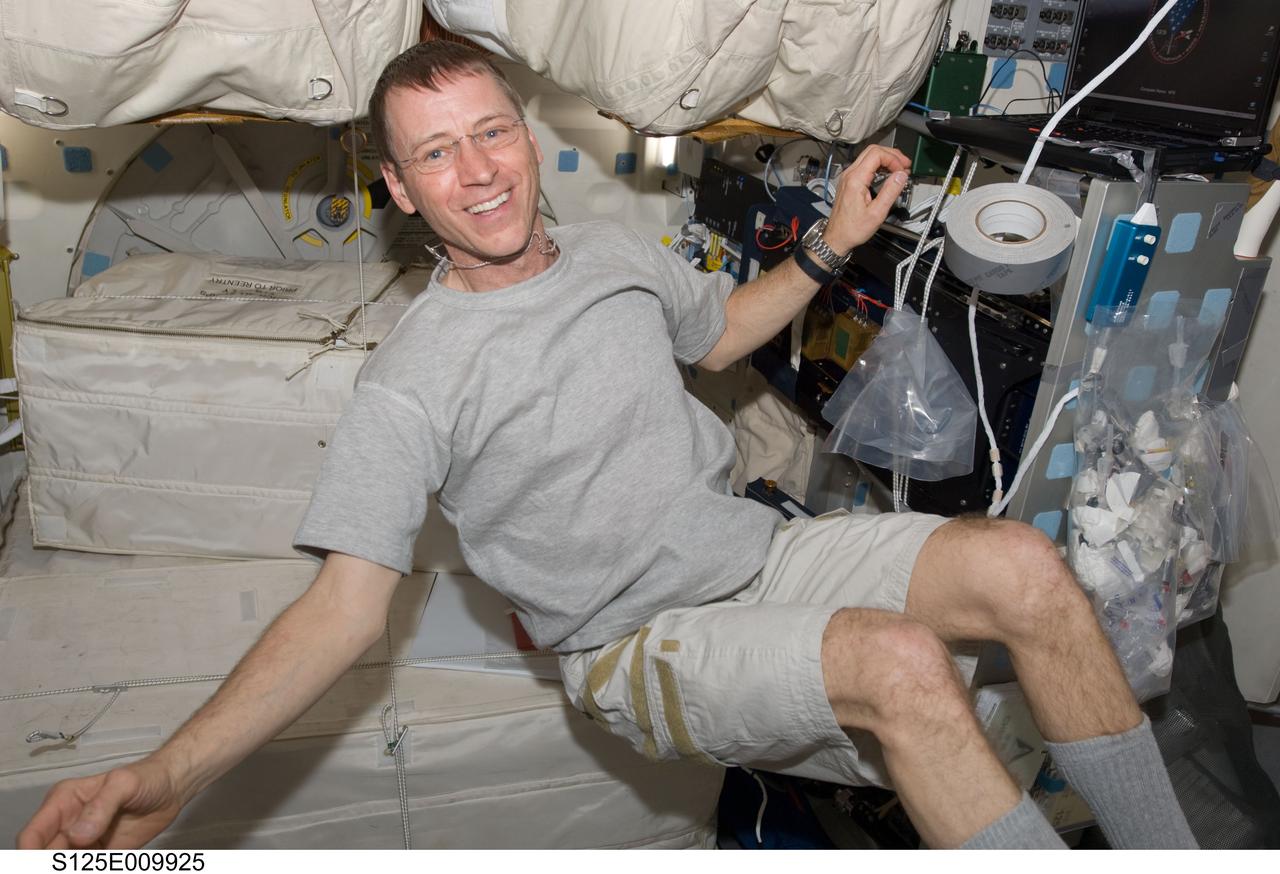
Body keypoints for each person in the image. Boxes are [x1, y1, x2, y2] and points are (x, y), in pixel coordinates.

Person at [17, 41, 1197, 851]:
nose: (477, 171)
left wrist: (832, 244)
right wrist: (168, 773)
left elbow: (725, 330)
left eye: (491, 133)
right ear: (398, 187)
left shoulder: (619, 258)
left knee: (1025, 569)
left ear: (526, 140)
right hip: (640, 644)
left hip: (757, 551)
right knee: (898, 664)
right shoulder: (411, 378)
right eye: (437, 153)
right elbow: (339, 610)